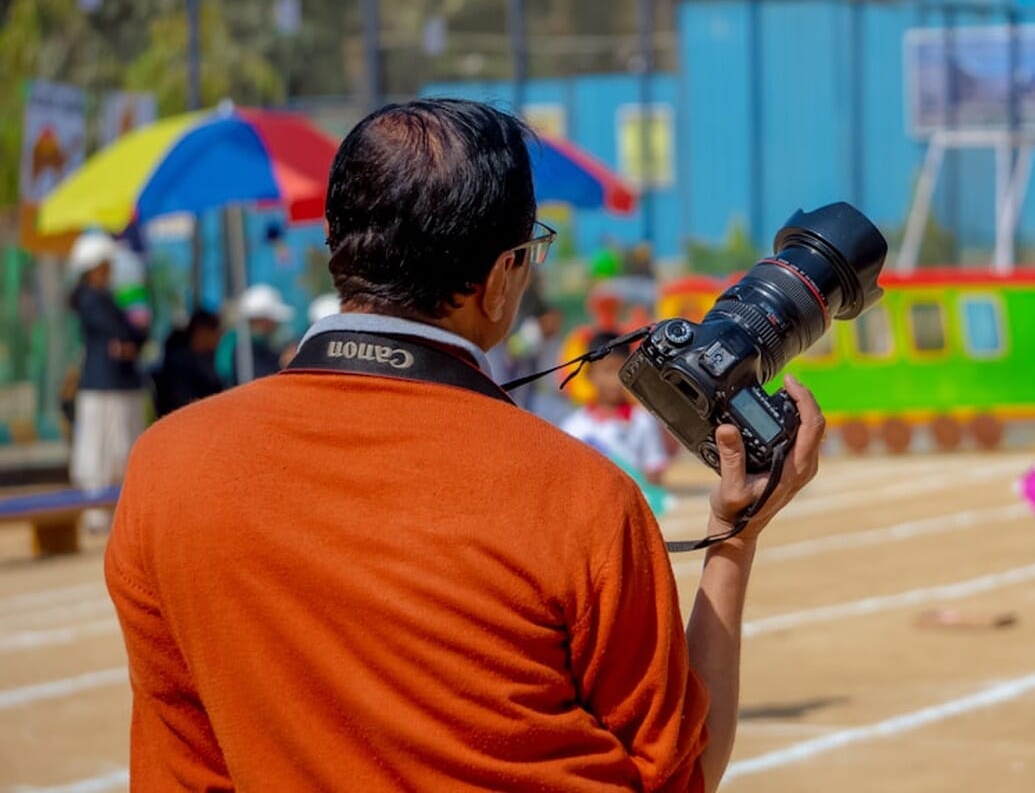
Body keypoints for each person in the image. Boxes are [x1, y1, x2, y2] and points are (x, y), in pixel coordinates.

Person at [106, 98, 823, 791]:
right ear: (500, 276)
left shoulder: (166, 466)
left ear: (337, 245)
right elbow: (680, 772)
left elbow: (182, 769)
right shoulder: (581, 498)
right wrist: (733, 540)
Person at [67, 232, 147, 531]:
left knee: (122, 449)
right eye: (105, 264)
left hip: (120, 384)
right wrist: (127, 338)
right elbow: (121, 331)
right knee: (99, 451)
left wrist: (129, 340)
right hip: (101, 387)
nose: (110, 269)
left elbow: (136, 334)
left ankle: (117, 513)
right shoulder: (90, 299)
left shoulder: (110, 298)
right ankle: (96, 513)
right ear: (93, 267)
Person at [562, 330, 673, 485]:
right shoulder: (574, 427)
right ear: (590, 375)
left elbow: (654, 472)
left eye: (620, 371)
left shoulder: (642, 420)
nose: (615, 380)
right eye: (607, 371)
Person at [215, 284, 293, 386]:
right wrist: (284, 364)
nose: (277, 324)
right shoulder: (245, 345)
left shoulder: (236, 338)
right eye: (273, 319)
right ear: (262, 319)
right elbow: (261, 378)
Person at [152, 308, 223, 417]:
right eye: (215, 333)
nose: (218, 339)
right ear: (201, 332)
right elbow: (184, 400)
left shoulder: (208, 357)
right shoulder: (179, 364)